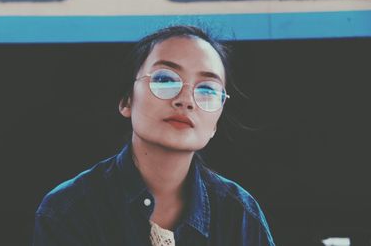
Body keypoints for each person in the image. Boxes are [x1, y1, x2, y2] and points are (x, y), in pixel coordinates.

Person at [33, 25, 275, 246]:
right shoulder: (69, 210)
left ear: (215, 124)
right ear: (127, 101)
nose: (186, 100)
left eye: (207, 89)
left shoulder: (241, 215)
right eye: (165, 80)